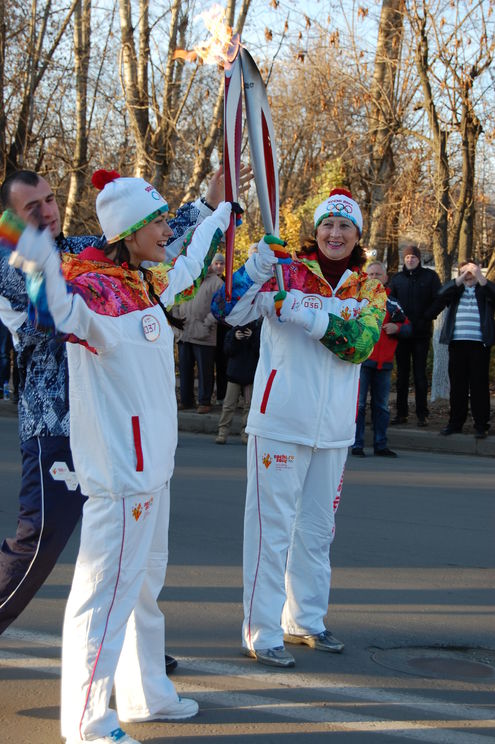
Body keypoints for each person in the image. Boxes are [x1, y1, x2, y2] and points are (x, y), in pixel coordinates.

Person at [12, 169, 232, 744]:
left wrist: (218, 219)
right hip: (120, 472)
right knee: (105, 595)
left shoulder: (137, 283)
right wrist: (34, 261)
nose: (165, 229)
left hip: (153, 469)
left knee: (142, 587)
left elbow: (183, 273)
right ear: (129, 231)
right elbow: (59, 313)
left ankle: (145, 693)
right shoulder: (90, 288)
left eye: (164, 218)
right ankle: (88, 722)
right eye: (156, 222)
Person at [212, 188, 386, 667]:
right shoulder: (286, 271)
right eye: (328, 224)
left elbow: (360, 344)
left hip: (333, 431)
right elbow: (227, 311)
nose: (335, 233)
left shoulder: (367, 288)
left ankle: (305, 619)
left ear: (357, 236)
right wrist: (255, 269)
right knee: (272, 531)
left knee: (316, 530)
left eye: (345, 226)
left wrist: (306, 315)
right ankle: (260, 629)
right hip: (280, 422)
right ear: (317, 230)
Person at [352, 261, 411, 458]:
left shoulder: (392, 303)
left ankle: (380, 445)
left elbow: (409, 327)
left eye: (378, 274)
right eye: (370, 274)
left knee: (381, 407)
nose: (374, 277)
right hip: (362, 361)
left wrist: (398, 328)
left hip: (384, 363)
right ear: (365, 277)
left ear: (385, 278)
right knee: (358, 405)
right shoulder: (357, 301)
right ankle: (356, 444)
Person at [432, 261, 494, 438]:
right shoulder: (455, 291)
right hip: (457, 344)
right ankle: (455, 423)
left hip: (479, 345)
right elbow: (440, 294)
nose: (469, 274)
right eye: (465, 271)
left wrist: (480, 276)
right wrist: (459, 279)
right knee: (457, 386)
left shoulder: (484, 290)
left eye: (472, 271)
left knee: (479, 387)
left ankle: (481, 425)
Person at [388, 244, 441, 426]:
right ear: (404, 259)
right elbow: (390, 302)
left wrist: (427, 317)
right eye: (407, 257)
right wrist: (397, 322)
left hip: (421, 334)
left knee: (420, 376)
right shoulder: (397, 279)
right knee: (402, 376)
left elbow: (439, 300)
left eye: (414, 257)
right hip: (401, 335)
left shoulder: (430, 277)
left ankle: (421, 414)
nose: (410, 259)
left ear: (419, 259)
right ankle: (401, 413)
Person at [175, 251, 224, 413]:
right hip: (184, 331)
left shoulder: (216, 283)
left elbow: (221, 307)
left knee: (205, 371)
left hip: (204, 333)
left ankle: (204, 401)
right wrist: (175, 322)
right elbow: (175, 301)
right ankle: (186, 400)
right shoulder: (187, 279)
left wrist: (207, 324)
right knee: (185, 369)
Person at [215, 319, 261, 445]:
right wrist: (235, 338)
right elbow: (227, 351)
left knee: (249, 406)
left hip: (250, 375)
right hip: (234, 374)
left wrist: (251, 338)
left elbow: (260, 351)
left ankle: (246, 434)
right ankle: (222, 432)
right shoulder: (233, 331)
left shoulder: (258, 331)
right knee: (228, 405)